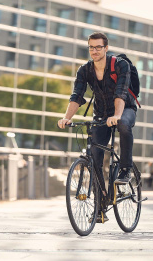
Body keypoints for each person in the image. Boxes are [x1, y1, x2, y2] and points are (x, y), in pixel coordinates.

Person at [57, 32, 137, 223]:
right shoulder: (85, 70)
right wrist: (66, 118)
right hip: (101, 114)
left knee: (124, 126)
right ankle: (101, 206)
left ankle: (126, 169)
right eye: (91, 47)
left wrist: (117, 116)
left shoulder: (120, 65)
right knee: (94, 156)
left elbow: (121, 92)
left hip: (124, 108)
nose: (94, 51)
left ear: (106, 48)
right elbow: (77, 95)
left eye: (98, 47)